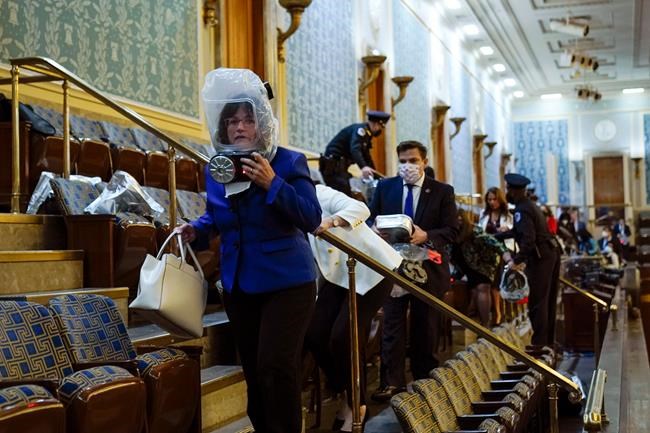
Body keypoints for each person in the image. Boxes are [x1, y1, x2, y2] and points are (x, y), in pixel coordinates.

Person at [175, 68, 321, 433]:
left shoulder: (288, 161)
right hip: (239, 283)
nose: (239, 127)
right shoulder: (218, 168)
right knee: (255, 374)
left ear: (262, 124)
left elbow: (310, 216)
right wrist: (197, 228)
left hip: (288, 283)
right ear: (223, 128)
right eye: (232, 121)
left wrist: (273, 183)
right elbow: (218, 215)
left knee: (277, 368)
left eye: (247, 120)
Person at [305, 182, 402, 432]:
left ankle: (355, 404)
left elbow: (359, 208)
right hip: (336, 275)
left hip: (373, 267)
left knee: (343, 336)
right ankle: (344, 392)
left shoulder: (317, 192)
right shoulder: (280, 206)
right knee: (315, 333)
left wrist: (331, 222)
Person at [368, 140, 458, 401]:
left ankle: (424, 381)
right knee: (392, 326)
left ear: (424, 162)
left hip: (427, 268)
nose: (408, 166)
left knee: (424, 327)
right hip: (394, 268)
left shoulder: (442, 191)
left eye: (413, 161)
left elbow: (452, 230)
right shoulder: (386, 187)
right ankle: (392, 382)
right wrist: (376, 229)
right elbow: (372, 217)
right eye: (403, 161)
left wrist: (426, 235)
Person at [495, 173, 561, 346]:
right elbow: (520, 232)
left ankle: (540, 346)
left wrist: (516, 261)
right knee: (547, 301)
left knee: (538, 304)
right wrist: (499, 236)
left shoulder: (522, 209)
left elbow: (529, 240)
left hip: (541, 258)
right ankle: (547, 344)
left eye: (508, 189)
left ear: (514, 191)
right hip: (550, 253)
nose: (507, 192)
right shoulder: (529, 205)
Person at [451, 209, 512, 326]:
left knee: (482, 288)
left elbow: (495, 244)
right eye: (455, 220)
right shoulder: (450, 233)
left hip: (483, 265)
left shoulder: (474, 231)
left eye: (460, 220)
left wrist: (509, 260)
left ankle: (485, 326)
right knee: (474, 291)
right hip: (465, 267)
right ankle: (477, 323)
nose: (458, 223)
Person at [321, 110, 391, 195]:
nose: (380, 130)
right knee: (344, 191)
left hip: (340, 168)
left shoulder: (367, 135)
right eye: (381, 126)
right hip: (332, 167)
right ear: (376, 124)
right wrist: (363, 167)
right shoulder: (361, 130)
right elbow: (355, 149)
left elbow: (366, 156)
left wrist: (376, 175)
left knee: (348, 189)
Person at [478, 186, 513, 324]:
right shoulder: (483, 214)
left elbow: (513, 229)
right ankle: (492, 312)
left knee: (496, 282)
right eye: (489, 199)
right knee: (486, 283)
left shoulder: (507, 215)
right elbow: (480, 231)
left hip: (504, 250)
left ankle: (498, 312)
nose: (492, 202)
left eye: (494, 199)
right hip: (487, 251)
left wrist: (506, 229)